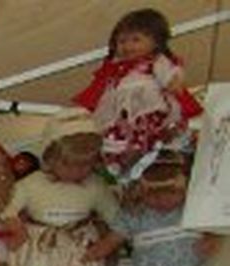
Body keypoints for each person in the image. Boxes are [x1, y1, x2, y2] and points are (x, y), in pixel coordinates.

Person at [0, 111, 123, 266]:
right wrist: (16, 226)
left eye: (85, 164)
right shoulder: (32, 183)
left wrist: (107, 243)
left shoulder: (95, 186)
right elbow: (5, 209)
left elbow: (120, 220)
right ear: (50, 158)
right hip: (40, 251)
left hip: (80, 251)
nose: (78, 171)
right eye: (69, 164)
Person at [72, 7, 203, 177]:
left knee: (145, 128)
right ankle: (117, 160)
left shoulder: (155, 61)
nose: (127, 46)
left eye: (136, 40)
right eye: (122, 41)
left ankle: (143, 151)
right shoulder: (114, 68)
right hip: (122, 112)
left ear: (156, 42)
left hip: (146, 106)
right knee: (114, 133)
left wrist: (173, 81)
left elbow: (169, 75)